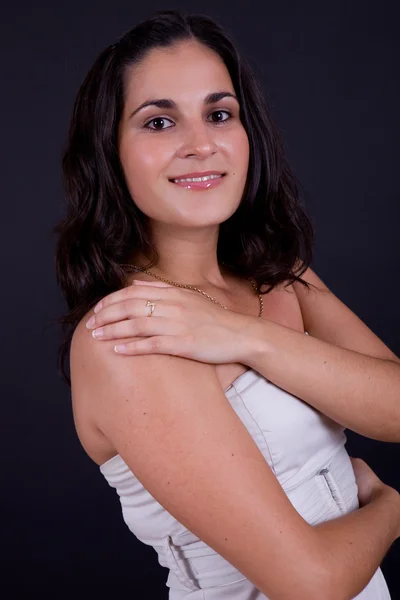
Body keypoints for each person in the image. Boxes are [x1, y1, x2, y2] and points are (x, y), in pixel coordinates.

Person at [54, 9, 400, 599]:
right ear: (108, 151)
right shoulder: (128, 335)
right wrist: (390, 509)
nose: (201, 144)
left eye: (219, 114)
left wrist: (244, 336)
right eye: (159, 122)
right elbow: (310, 584)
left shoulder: (278, 277)